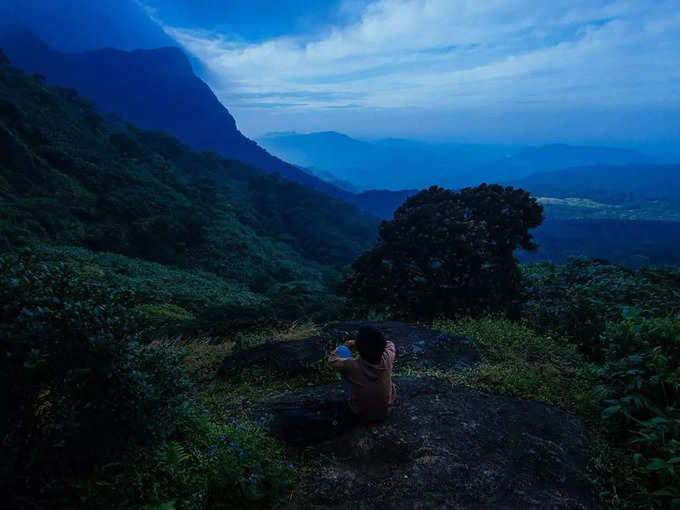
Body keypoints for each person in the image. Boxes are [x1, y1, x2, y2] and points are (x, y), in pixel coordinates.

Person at [327, 325, 397, 424]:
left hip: (360, 413)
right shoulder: (388, 356)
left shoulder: (351, 365)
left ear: (359, 348)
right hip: (385, 411)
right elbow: (390, 343)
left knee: (343, 350)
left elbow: (332, 360)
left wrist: (348, 345)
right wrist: (369, 343)